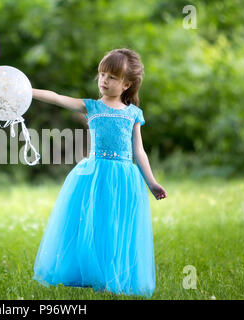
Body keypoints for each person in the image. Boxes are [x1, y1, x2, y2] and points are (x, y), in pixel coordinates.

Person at [31, 48, 167, 298]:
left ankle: (112, 276)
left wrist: (152, 182)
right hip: (93, 175)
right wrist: (26, 91)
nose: (104, 80)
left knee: (117, 225)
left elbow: (139, 151)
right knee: (93, 222)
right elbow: (57, 97)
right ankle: (90, 274)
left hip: (124, 177)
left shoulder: (133, 114)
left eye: (112, 77)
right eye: (102, 74)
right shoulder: (91, 106)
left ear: (126, 84)